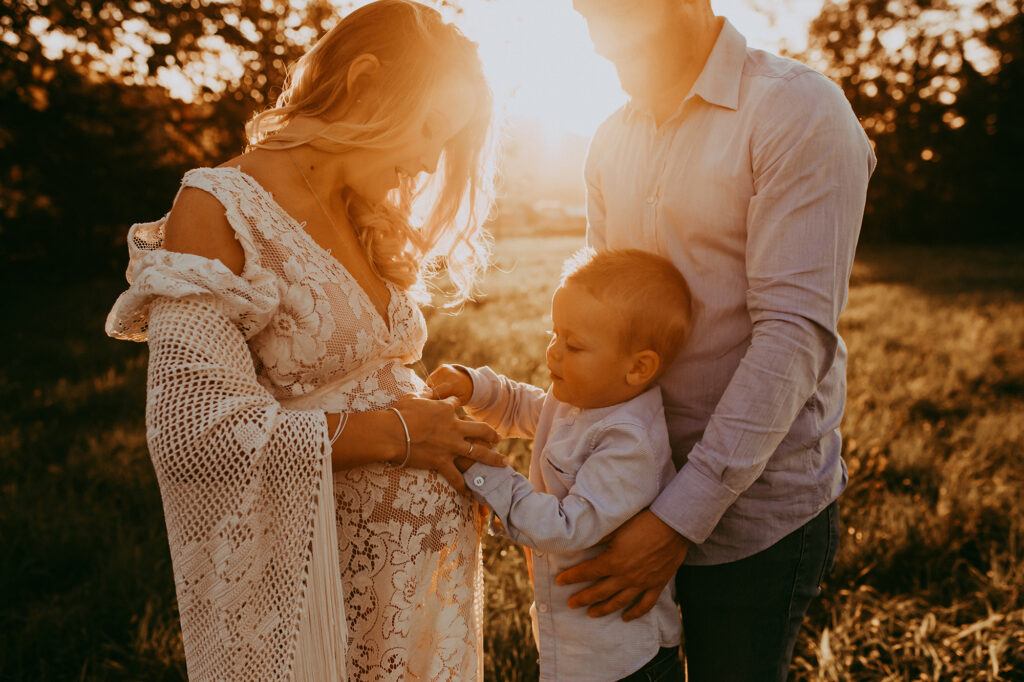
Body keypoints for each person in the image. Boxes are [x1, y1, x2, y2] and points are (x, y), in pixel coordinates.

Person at [104, 2, 509, 680]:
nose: (428, 160)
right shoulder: (218, 207)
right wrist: (400, 436)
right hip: (318, 604)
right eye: (432, 128)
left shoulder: (360, 210)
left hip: (414, 609)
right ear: (364, 82)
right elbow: (193, 434)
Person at [557, 0, 877, 679]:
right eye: (585, 16)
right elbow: (600, 320)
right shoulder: (611, 137)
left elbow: (793, 336)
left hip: (755, 521)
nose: (595, 43)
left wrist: (676, 521)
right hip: (627, 493)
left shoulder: (798, 113)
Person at [429, 248, 693, 681]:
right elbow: (525, 407)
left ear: (638, 367)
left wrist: (483, 468)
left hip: (621, 663)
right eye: (554, 334)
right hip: (574, 653)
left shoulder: (629, 444)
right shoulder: (584, 399)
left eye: (573, 345)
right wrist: (476, 387)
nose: (553, 353)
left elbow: (563, 529)